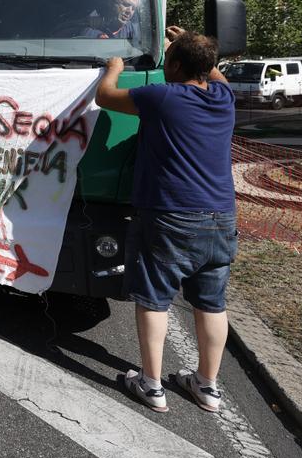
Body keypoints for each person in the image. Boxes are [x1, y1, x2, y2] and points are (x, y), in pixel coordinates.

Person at [94, 26, 236, 413]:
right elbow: (214, 72)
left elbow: (104, 97)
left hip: (170, 215)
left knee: (155, 300)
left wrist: (114, 66)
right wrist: (193, 41)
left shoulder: (162, 96)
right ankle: (207, 387)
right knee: (211, 304)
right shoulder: (224, 98)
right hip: (221, 216)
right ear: (208, 68)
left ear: (171, 65)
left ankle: (152, 385)